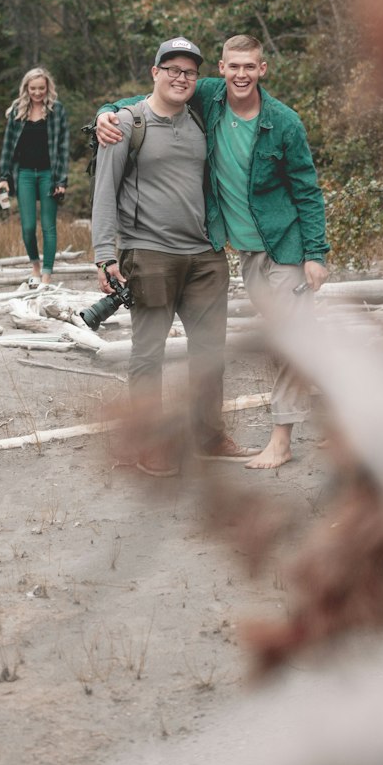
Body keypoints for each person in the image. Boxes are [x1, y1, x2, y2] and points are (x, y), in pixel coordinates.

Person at [96, 33, 329, 469]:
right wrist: (106, 112)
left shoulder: (279, 122)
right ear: (221, 70)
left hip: (265, 250)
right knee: (160, 352)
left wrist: (316, 253)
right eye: (232, 66)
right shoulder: (192, 103)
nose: (240, 74)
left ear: (262, 69)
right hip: (204, 252)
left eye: (250, 66)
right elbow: (145, 100)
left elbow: (307, 191)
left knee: (272, 342)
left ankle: (252, 437)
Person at [92, 36, 250, 476]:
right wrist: (105, 256)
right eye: (173, 69)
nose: (181, 78)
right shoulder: (126, 123)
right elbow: (103, 193)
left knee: (209, 353)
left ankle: (208, 436)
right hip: (149, 254)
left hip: (204, 256)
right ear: (155, 72)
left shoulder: (200, 118)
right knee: (148, 354)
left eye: (189, 72)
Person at [0, 67, 69, 286]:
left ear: (47, 88)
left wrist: (61, 181)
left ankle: (46, 276)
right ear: (26, 88)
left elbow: (63, 148)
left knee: (48, 226)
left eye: (41, 88)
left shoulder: (57, 110)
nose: (37, 93)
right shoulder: (17, 110)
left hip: (49, 174)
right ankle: (35, 267)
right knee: (27, 227)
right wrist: (3, 177)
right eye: (33, 88)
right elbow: (7, 147)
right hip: (24, 174)